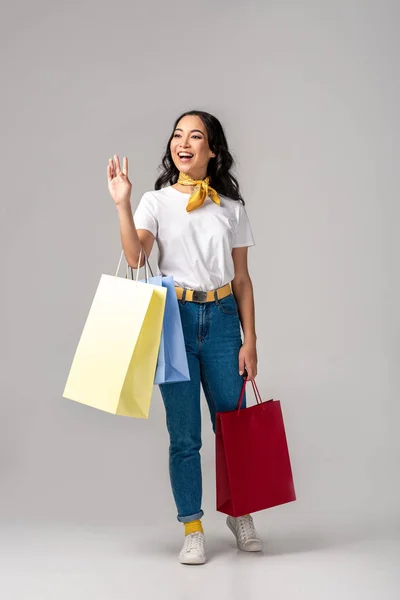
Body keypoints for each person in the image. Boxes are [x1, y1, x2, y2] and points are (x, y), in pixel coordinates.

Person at [107, 110, 262, 565]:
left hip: (222, 318)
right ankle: (192, 526)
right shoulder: (155, 202)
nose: (184, 142)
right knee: (183, 434)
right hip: (174, 319)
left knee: (232, 427)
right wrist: (122, 202)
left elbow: (244, 280)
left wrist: (249, 340)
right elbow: (137, 260)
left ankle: (241, 514)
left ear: (213, 150)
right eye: (178, 135)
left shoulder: (232, 209)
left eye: (196, 136)